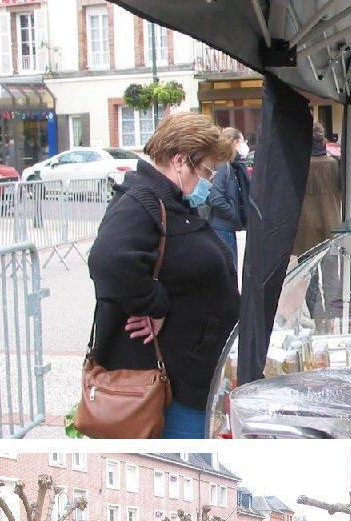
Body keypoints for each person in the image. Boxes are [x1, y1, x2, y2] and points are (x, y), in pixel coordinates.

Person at [87, 112, 238, 438]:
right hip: (171, 384)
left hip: (189, 373)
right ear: (181, 160)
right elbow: (108, 260)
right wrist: (154, 305)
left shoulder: (170, 201)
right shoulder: (142, 201)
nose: (209, 181)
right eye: (207, 170)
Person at [293, 123, 345, 331]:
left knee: (310, 277)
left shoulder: (299, 165)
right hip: (330, 227)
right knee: (333, 276)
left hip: (305, 230)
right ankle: (333, 319)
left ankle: (318, 319)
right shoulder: (334, 163)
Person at [208, 127, 252, 260]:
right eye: (242, 140)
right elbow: (216, 198)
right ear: (234, 143)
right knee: (229, 268)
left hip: (227, 228)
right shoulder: (224, 166)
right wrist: (233, 214)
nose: (245, 144)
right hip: (223, 228)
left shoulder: (235, 166)